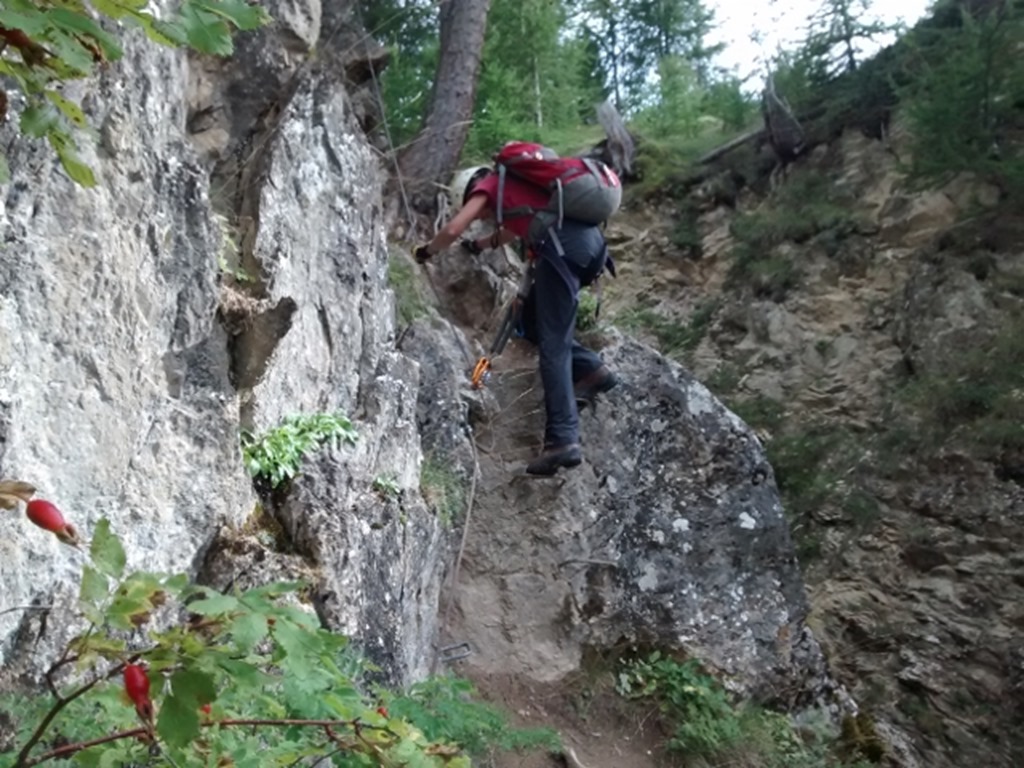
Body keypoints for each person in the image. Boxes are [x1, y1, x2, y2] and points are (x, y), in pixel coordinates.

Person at [414, 164, 619, 476]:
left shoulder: (489, 186)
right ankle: (591, 370)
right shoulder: (526, 196)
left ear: (471, 188)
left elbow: (454, 229)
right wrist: (479, 246)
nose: (481, 217)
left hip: (562, 251)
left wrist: (426, 252)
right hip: (586, 248)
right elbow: (509, 232)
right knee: (531, 319)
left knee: (555, 346)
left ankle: (562, 440)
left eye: (479, 211)